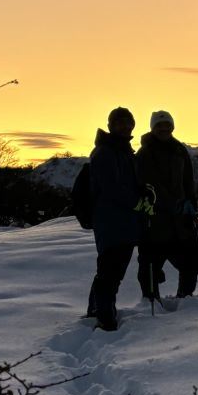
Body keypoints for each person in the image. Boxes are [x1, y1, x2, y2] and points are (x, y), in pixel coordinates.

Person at [86, 106, 148, 331]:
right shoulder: (105, 152)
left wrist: (142, 192)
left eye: (128, 122)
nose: (125, 126)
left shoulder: (122, 151)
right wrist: (137, 202)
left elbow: (127, 184)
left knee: (109, 270)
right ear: (111, 125)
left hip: (123, 222)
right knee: (110, 272)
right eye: (120, 122)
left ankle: (96, 310)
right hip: (111, 222)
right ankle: (105, 317)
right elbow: (113, 188)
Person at [135, 110, 198, 300]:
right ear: (153, 128)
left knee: (190, 261)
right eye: (159, 126)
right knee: (150, 265)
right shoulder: (144, 153)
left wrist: (192, 205)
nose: (164, 129)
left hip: (179, 218)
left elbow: (188, 181)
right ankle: (151, 300)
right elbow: (138, 184)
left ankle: (185, 298)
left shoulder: (179, 151)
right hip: (154, 219)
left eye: (167, 125)